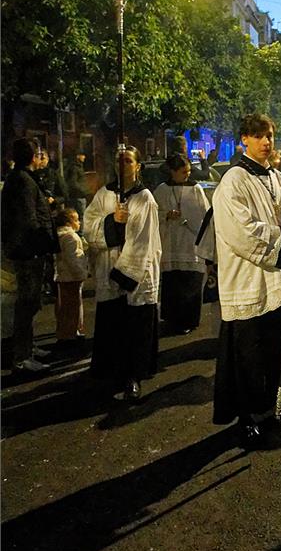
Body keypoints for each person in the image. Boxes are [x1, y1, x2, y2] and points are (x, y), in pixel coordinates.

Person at [212, 112, 281, 448]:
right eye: (258, 136)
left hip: (275, 282)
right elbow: (240, 234)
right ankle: (245, 419)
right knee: (248, 357)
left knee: (275, 352)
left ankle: (272, 410)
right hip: (248, 283)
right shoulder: (234, 181)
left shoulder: (276, 177)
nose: (266, 142)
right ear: (244, 139)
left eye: (270, 135)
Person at [84, 146, 161, 402]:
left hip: (133, 274)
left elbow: (143, 241)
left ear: (137, 166)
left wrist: (125, 274)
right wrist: (112, 221)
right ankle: (110, 372)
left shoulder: (144, 198)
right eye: (119, 160)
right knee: (112, 325)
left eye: (128, 160)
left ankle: (133, 377)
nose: (123, 165)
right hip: (109, 266)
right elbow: (88, 227)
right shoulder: (104, 194)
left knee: (134, 326)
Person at [1, 139, 57, 372]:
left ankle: (28, 348)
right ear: (33, 156)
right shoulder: (23, 180)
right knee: (26, 303)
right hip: (28, 252)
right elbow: (28, 219)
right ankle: (22, 357)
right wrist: (39, 245)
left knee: (31, 303)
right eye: (39, 152)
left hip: (26, 249)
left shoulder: (22, 178)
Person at [154, 154, 210, 335]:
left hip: (191, 242)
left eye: (188, 171)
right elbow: (153, 213)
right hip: (171, 243)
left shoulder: (196, 189)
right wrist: (165, 215)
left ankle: (189, 319)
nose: (187, 175)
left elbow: (206, 214)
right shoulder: (162, 190)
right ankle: (172, 319)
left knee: (191, 281)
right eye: (183, 172)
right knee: (173, 282)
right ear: (172, 171)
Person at [53, 207, 89, 346]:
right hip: (71, 277)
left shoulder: (60, 236)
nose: (79, 222)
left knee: (65, 307)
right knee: (72, 307)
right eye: (77, 219)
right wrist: (81, 273)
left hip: (64, 276)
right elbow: (73, 258)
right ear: (69, 222)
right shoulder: (70, 237)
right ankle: (70, 334)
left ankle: (68, 332)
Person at [66, 150, 90, 226]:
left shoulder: (78, 167)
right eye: (82, 155)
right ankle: (80, 234)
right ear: (78, 156)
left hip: (77, 196)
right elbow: (73, 183)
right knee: (80, 216)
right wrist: (83, 191)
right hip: (78, 196)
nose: (84, 157)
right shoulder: (75, 168)